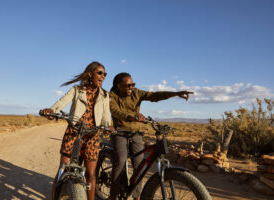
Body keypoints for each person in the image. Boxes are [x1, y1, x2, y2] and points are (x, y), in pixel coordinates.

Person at [109, 72, 193, 200]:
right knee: (120, 161)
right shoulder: (112, 96)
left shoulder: (136, 93)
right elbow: (115, 111)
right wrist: (132, 117)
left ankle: (136, 196)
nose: (131, 87)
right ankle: (113, 195)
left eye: (132, 84)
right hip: (119, 132)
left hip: (136, 133)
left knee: (140, 166)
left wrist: (175, 94)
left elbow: (154, 96)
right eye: (128, 85)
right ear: (118, 85)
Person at [41, 61, 112, 200]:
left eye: (105, 74)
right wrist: (52, 110)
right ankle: (54, 197)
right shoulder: (77, 90)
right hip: (74, 133)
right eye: (100, 73)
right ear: (90, 74)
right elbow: (62, 102)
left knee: (91, 174)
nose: (103, 76)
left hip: (92, 136)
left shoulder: (105, 95)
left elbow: (106, 116)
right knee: (63, 168)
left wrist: (108, 127)